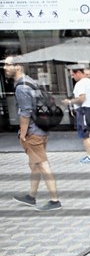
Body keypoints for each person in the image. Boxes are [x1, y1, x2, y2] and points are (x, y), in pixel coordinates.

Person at [4, 56, 62, 211]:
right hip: (41, 129)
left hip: (33, 133)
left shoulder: (21, 87)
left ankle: (54, 200)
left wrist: (23, 134)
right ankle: (31, 196)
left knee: (42, 165)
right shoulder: (30, 81)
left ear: (18, 66)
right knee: (34, 164)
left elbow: (25, 113)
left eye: (7, 65)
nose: (4, 68)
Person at [62, 64, 90, 164]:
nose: (72, 77)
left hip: (84, 110)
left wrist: (70, 101)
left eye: (73, 75)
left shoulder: (80, 84)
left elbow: (82, 98)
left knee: (84, 134)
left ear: (79, 73)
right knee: (87, 132)